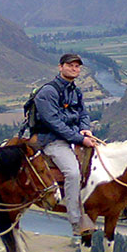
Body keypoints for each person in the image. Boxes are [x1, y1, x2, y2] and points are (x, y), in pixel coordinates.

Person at [33, 53, 98, 235]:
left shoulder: (75, 91)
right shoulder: (48, 92)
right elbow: (54, 123)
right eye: (70, 65)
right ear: (60, 67)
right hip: (52, 140)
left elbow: (83, 113)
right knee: (73, 172)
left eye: (77, 66)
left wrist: (85, 129)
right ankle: (76, 221)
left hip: (74, 136)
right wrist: (80, 139)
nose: (74, 69)